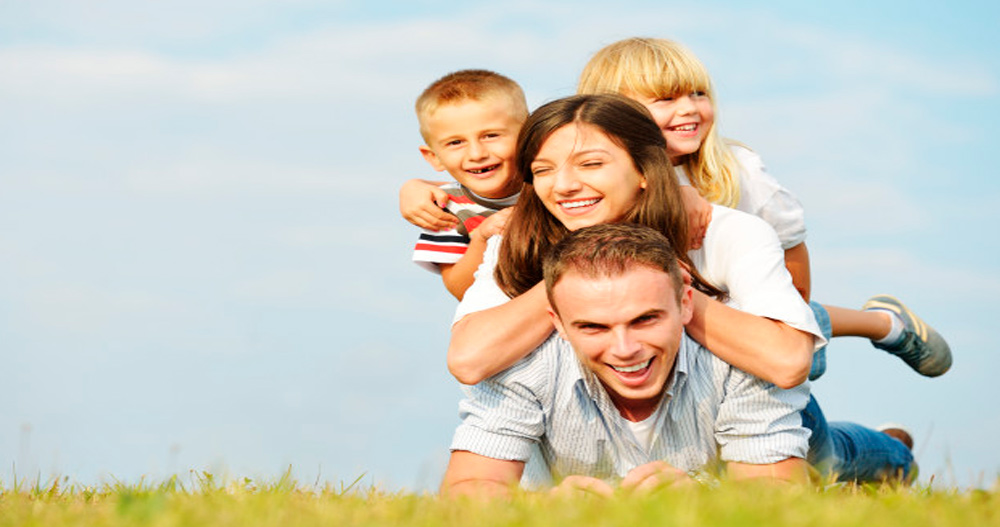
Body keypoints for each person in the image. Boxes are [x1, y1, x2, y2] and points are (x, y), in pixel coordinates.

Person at [446, 94, 914, 485]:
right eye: (543, 170)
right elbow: (470, 360)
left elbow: (788, 362)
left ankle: (893, 449)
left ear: (646, 171)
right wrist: (575, 272)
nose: (564, 185)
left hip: (755, 405)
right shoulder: (517, 243)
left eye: (591, 163)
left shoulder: (728, 232)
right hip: (613, 421)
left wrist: (670, 282)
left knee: (827, 462)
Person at [442, 223, 812, 497]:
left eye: (645, 319)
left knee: (841, 453)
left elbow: (780, 495)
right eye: (593, 327)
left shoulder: (739, 361)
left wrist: (705, 498)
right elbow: (466, 490)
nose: (624, 348)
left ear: (686, 304)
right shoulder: (524, 366)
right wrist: (544, 508)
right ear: (558, 324)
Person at [407, 69, 524, 300]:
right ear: (434, 157)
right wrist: (481, 236)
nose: (476, 153)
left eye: (491, 135)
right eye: (455, 142)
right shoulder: (445, 207)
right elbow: (460, 289)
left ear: (528, 133)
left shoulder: (550, 185)